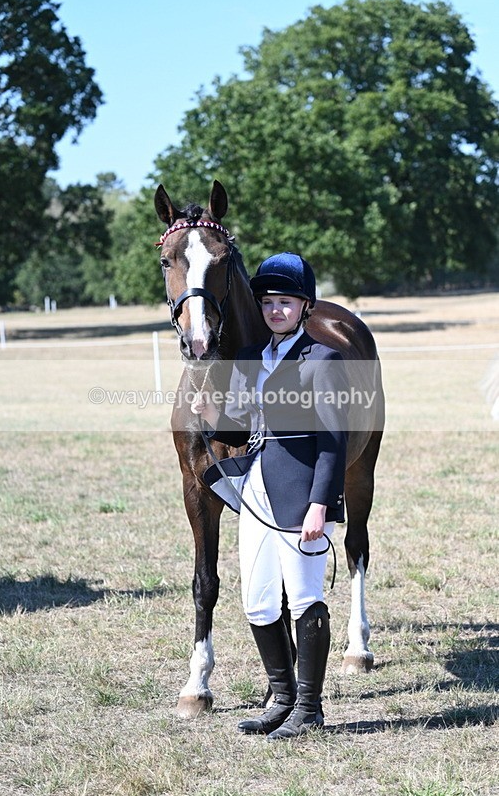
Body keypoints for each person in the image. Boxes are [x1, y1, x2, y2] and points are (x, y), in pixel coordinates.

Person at [192, 252, 348, 740]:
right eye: (268, 302)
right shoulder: (256, 359)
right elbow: (241, 426)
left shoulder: (324, 360)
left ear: (305, 307)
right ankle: (280, 699)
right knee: (258, 601)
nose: (275, 310)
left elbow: (333, 441)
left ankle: (309, 708)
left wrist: (321, 504)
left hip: (300, 495)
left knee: (304, 597)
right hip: (255, 492)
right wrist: (212, 412)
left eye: (286, 302)